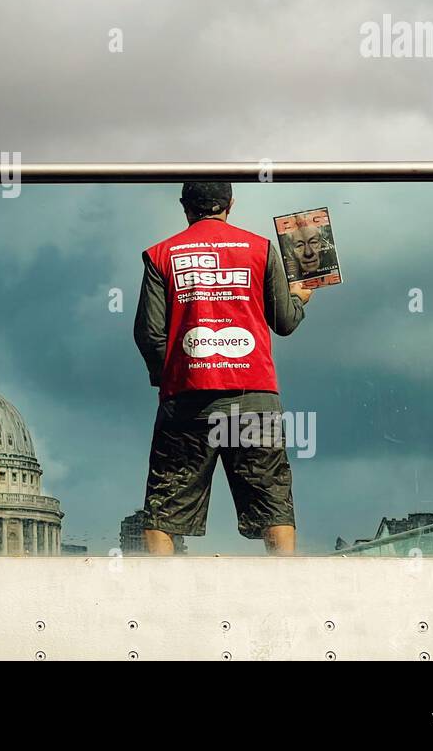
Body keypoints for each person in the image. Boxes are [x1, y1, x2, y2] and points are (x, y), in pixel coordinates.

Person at [133, 182, 311, 555]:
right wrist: (299, 298)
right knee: (273, 505)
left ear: (185, 207)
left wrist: (173, 377)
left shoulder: (161, 254)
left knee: (165, 510)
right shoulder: (260, 249)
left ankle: (157, 599)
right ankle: (288, 595)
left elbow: (149, 334)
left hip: (186, 403)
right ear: (231, 204)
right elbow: (284, 321)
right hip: (253, 399)